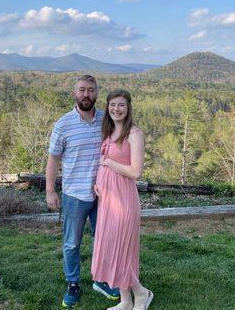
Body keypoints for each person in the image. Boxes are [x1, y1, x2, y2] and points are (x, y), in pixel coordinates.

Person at [46, 75, 120, 308]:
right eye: (81, 90)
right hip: (74, 195)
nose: (86, 94)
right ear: (74, 93)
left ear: (97, 93)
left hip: (104, 194)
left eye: (90, 90)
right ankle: (73, 284)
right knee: (71, 243)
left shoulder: (106, 121)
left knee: (105, 240)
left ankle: (102, 280)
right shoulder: (63, 124)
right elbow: (53, 159)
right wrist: (50, 190)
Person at [91, 89, 154, 310]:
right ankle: (125, 301)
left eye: (121, 105)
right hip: (107, 200)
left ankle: (142, 293)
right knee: (112, 248)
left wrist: (108, 163)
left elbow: (136, 172)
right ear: (107, 107)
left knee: (121, 249)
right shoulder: (109, 131)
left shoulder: (134, 134)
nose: (116, 109)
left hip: (124, 200)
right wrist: (99, 182)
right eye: (112, 105)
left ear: (128, 109)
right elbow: (102, 162)